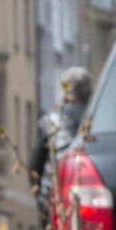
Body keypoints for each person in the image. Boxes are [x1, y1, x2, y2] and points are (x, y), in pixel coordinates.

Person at [27, 66, 94, 217]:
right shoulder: (99, 120)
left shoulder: (51, 122)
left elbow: (34, 165)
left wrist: (42, 203)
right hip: (91, 201)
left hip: (58, 203)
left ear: (64, 92)